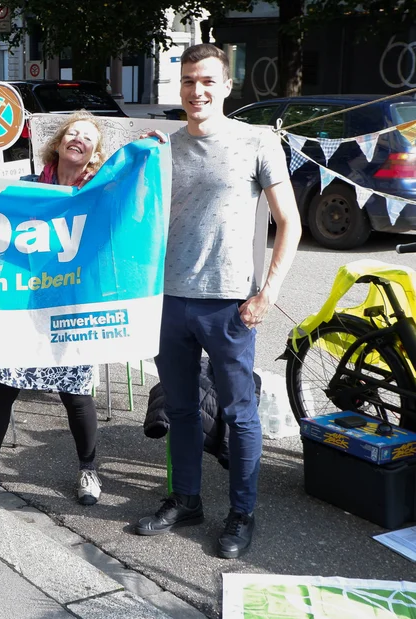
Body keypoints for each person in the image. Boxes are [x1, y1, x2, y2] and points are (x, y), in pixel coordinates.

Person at [132, 44, 300, 559]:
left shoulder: (257, 141)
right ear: (178, 88)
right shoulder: (165, 149)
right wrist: (141, 158)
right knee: (181, 409)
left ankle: (241, 512)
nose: (196, 91)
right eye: (187, 81)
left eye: (207, 81)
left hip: (230, 304)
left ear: (226, 86)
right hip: (168, 301)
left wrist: (267, 293)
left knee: (240, 413)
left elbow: (289, 223)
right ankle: (186, 499)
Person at [0, 111, 107, 509]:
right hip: (23, 307)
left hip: (72, 306)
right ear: (58, 143)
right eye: (72, 133)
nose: (78, 139)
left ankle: (88, 469)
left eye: (87, 138)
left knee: (75, 394)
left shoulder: (99, 190)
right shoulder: (28, 188)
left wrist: (148, 152)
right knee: (3, 387)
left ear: (94, 154)